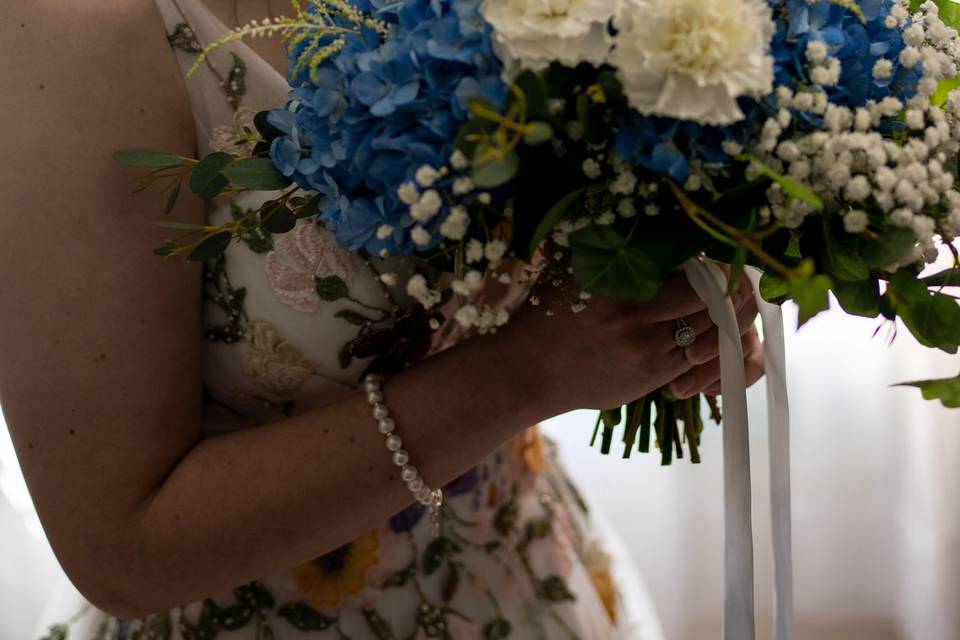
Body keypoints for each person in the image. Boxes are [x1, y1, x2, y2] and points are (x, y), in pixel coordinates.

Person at [0, 1, 765, 638]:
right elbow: (121, 553)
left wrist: (658, 289)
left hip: (527, 573)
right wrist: (523, 375)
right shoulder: (76, 31)